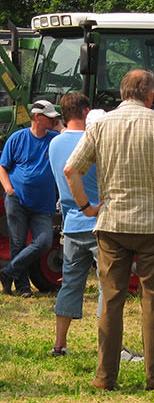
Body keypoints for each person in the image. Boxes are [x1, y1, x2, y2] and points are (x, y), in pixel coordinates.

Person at [64, 69, 154, 391]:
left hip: (112, 223)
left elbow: (71, 169)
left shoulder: (100, 125)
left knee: (111, 301)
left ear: (122, 93)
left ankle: (105, 378)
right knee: (152, 302)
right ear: (149, 95)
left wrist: (87, 208)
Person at [48, 93, 143, 363]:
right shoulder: (95, 140)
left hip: (71, 223)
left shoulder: (54, 145)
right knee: (109, 287)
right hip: (98, 221)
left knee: (70, 285)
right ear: (87, 112)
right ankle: (113, 349)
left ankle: (60, 345)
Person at [0, 100, 64, 297]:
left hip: (42, 205)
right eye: (50, 117)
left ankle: (8, 271)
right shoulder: (17, 138)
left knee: (44, 242)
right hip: (16, 200)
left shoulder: (54, 139)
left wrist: (60, 126)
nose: (54, 120)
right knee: (18, 244)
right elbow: (3, 166)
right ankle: (22, 287)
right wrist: (9, 189)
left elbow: (73, 138)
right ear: (37, 117)